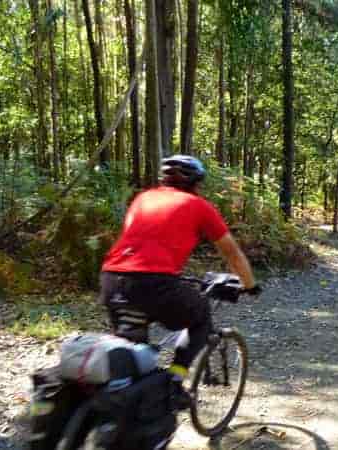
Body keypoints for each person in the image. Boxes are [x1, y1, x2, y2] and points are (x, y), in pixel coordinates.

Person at [98, 155, 261, 408]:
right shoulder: (198, 205)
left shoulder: (143, 198)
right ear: (197, 183)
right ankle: (175, 381)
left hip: (112, 278)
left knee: (132, 355)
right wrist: (250, 284)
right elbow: (232, 252)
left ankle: (128, 408)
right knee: (201, 316)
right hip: (154, 284)